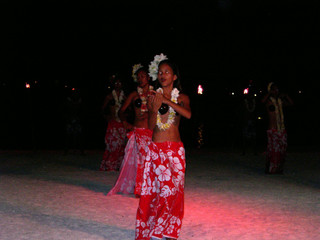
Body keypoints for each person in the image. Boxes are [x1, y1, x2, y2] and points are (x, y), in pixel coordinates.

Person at [135, 54, 191, 240]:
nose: (163, 75)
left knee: (176, 191)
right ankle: (158, 228)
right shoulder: (152, 97)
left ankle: (170, 230)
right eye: (160, 72)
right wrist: (153, 108)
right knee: (164, 189)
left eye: (167, 72)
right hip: (158, 148)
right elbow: (151, 126)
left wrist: (167, 101)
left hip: (176, 150)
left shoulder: (181, 97)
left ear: (175, 76)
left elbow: (188, 115)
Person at [107, 64, 153, 196]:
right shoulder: (134, 95)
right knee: (140, 161)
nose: (140, 79)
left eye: (143, 76)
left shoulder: (154, 93)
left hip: (150, 131)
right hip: (138, 131)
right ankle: (139, 189)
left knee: (149, 161)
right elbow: (122, 111)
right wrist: (125, 122)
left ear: (149, 78)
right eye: (138, 77)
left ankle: (149, 187)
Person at [261, 82, 293, 174]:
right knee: (273, 150)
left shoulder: (279, 101)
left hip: (281, 128)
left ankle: (279, 168)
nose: (276, 91)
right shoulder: (269, 101)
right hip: (273, 129)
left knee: (282, 149)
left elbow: (291, 103)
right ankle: (270, 168)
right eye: (274, 89)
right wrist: (269, 93)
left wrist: (286, 96)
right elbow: (262, 101)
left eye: (277, 89)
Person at [99, 75, 127, 171]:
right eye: (116, 83)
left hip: (122, 123)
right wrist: (107, 117)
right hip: (113, 122)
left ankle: (119, 165)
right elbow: (102, 109)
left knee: (121, 145)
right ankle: (110, 165)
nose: (118, 85)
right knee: (113, 145)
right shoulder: (110, 96)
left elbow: (130, 109)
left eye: (119, 83)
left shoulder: (125, 96)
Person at [64, 87, 85, 155]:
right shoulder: (68, 101)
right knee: (68, 135)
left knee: (79, 135)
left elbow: (81, 111)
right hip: (70, 119)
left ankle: (81, 150)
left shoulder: (79, 100)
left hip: (77, 119)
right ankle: (66, 150)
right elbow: (66, 111)